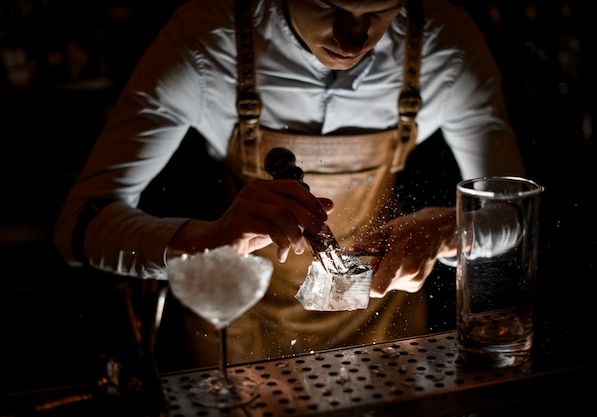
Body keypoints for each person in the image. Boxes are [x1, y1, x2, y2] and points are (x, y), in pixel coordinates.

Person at [54, 0, 525, 369]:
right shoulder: (205, 40)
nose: (352, 38)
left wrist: (450, 231)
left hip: (384, 328)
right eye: (326, 6)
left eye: (378, 12)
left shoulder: (447, 42)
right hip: (242, 328)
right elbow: (78, 228)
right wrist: (207, 240)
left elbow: (512, 212)